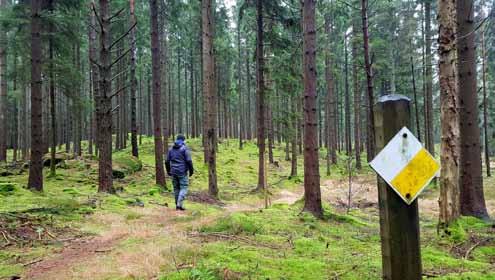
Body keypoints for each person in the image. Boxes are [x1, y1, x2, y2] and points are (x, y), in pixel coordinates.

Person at [165, 135, 194, 211]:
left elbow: (167, 161)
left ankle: (178, 205)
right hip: (182, 172)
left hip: (173, 172)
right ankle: (179, 205)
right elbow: (189, 161)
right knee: (184, 187)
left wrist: (168, 171)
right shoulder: (184, 149)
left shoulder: (171, 149)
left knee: (176, 188)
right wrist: (191, 171)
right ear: (183, 140)